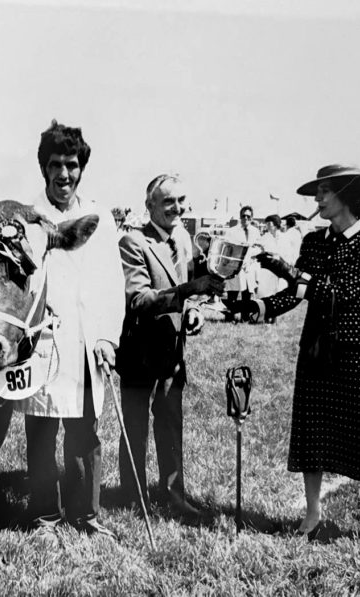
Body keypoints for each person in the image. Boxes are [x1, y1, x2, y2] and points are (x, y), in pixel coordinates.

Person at [232, 164, 360, 551]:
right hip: (315, 349)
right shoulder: (314, 241)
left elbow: (338, 293)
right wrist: (258, 307)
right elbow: (296, 294)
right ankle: (312, 513)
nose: (317, 199)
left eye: (324, 191)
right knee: (313, 433)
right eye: (317, 192)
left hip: (355, 351)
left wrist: (288, 271)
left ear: (347, 194)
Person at [13, 120, 125, 541]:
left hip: (86, 343)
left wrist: (107, 338)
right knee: (41, 431)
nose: (64, 174)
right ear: (44, 168)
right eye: (56, 165)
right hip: (42, 343)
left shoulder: (100, 218)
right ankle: (45, 517)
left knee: (84, 431)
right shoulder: (26, 218)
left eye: (72, 165)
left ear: (82, 168)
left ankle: (86, 515)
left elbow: (112, 284)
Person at [116, 174, 223, 517]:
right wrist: (189, 291)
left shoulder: (182, 237)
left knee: (171, 424)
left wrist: (193, 311)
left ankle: (174, 496)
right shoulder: (132, 242)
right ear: (149, 206)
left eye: (181, 200)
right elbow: (139, 299)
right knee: (135, 430)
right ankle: (134, 498)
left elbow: (185, 293)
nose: (177, 208)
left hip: (172, 353)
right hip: (139, 353)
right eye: (168, 202)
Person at [224, 205, 260, 313]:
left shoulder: (255, 231)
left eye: (248, 216)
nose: (246, 218)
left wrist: (251, 253)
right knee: (233, 292)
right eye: (243, 216)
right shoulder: (232, 231)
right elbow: (227, 248)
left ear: (252, 218)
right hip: (235, 266)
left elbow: (259, 248)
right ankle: (230, 316)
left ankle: (245, 317)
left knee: (247, 293)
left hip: (249, 265)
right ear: (240, 217)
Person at [257, 214, 291, 323]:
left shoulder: (284, 238)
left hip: (281, 268)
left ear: (276, 224)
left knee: (278, 292)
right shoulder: (265, 237)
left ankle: (274, 318)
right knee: (266, 292)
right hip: (269, 268)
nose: (267, 226)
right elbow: (259, 249)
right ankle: (267, 317)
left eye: (269, 223)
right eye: (266, 223)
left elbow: (287, 254)